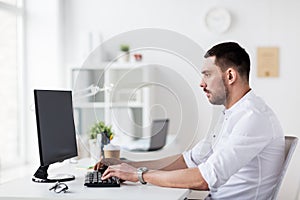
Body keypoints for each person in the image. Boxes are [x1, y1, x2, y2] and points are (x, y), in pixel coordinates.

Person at [94, 42, 285, 199]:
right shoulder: (232, 114)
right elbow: (189, 161)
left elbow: (204, 179)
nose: (201, 83)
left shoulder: (252, 117)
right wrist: (128, 166)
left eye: (207, 75)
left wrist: (139, 175)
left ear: (230, 76)